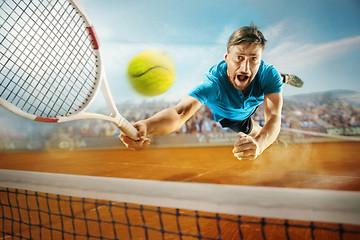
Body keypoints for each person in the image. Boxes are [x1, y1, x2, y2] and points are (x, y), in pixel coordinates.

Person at [120, 24, 302, 161]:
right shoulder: (212, 84)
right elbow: (179, 112)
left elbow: (274, 118)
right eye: (239, 57)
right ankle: (272, 138)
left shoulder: (267, 73)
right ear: (227, 58)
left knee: (274, 79)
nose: (245, 67)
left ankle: (284, 78)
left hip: (256, 95)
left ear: (261, 60)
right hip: (233, 116)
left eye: (254, 59)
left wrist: (261, 146)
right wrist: (148, 125)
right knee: (255, 131)